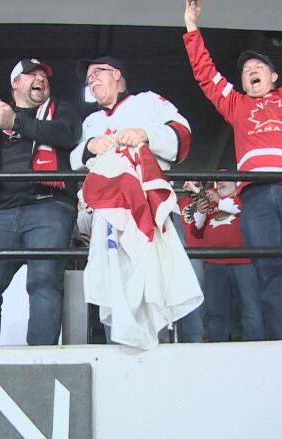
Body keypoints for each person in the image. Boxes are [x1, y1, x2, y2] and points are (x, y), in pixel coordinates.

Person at [184, 0, 282, 339]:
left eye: (258, 67)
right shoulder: (235, 104)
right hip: (255, 195)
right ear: (242, 83)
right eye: (245, 71)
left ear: (274, 76)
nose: (251, 71)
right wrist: (191, 30)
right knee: (268, 272)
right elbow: (206, 74)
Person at [71, 55, 202, 348]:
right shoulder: (91, 121)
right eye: (88, 78)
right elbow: (73, 160)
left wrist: (146, 134)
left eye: (96, 73)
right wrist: (90, 147)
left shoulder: (148, 101)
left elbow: (183, 135)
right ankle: (120, 357)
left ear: (116, 74)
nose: (91, 80)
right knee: (116, 286)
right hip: (110, 217)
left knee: (173, 278)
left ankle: (189, 353)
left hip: (155, 208)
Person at [0, 58, 81, 345]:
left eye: (44, 75)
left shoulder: (60, 109)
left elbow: (68, 134)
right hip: (1, 212)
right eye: (31, 74)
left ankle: (39, 361)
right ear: (16, 84)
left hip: (49, 205)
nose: (41, 78)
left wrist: (16, 122)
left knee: (44, 282)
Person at [190, 178, 265, 341]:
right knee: (216, 312)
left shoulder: (245, 197)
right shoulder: (211, 202)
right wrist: (201, 211)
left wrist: (219, 202)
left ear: (236, 183)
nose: (220, 183)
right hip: (214, 264)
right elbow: (196, 230)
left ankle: (257, 350)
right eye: (218, 181)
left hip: (244, 262)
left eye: (225, 180)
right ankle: (218, 353)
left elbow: (247, 213)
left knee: (250, 308)